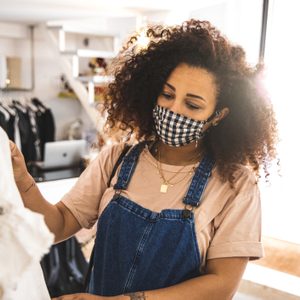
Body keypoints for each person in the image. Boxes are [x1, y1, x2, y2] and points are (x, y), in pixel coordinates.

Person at [10, 19, 277, 300]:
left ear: (218, 116)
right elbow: (58, 224)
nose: (174, 109)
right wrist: (22, 180)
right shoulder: (116, 159)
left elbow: (220, 286)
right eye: (167, 94)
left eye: (192, 105)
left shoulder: (234, 185)